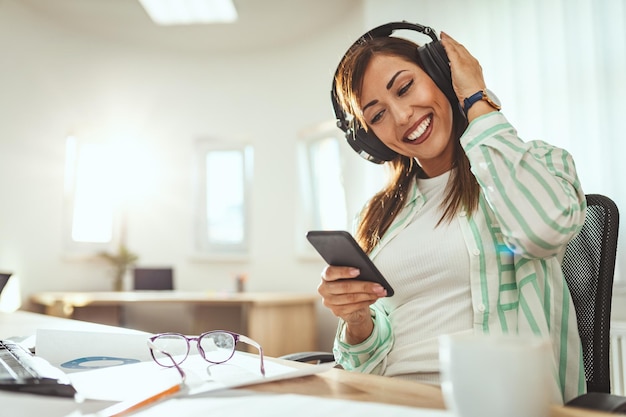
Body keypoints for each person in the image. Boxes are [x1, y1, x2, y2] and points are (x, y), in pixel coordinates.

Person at [318, 24, 587, 404]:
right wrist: (358, 321)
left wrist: (475, 99)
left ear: (441, 74)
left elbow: (542, 229)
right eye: (376, 116)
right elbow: (363, 365)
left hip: (491, 402)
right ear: (369, 139)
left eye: (405, 87)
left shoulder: (535, 165)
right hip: (388, 400)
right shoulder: (379, 214)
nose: (401, 115)